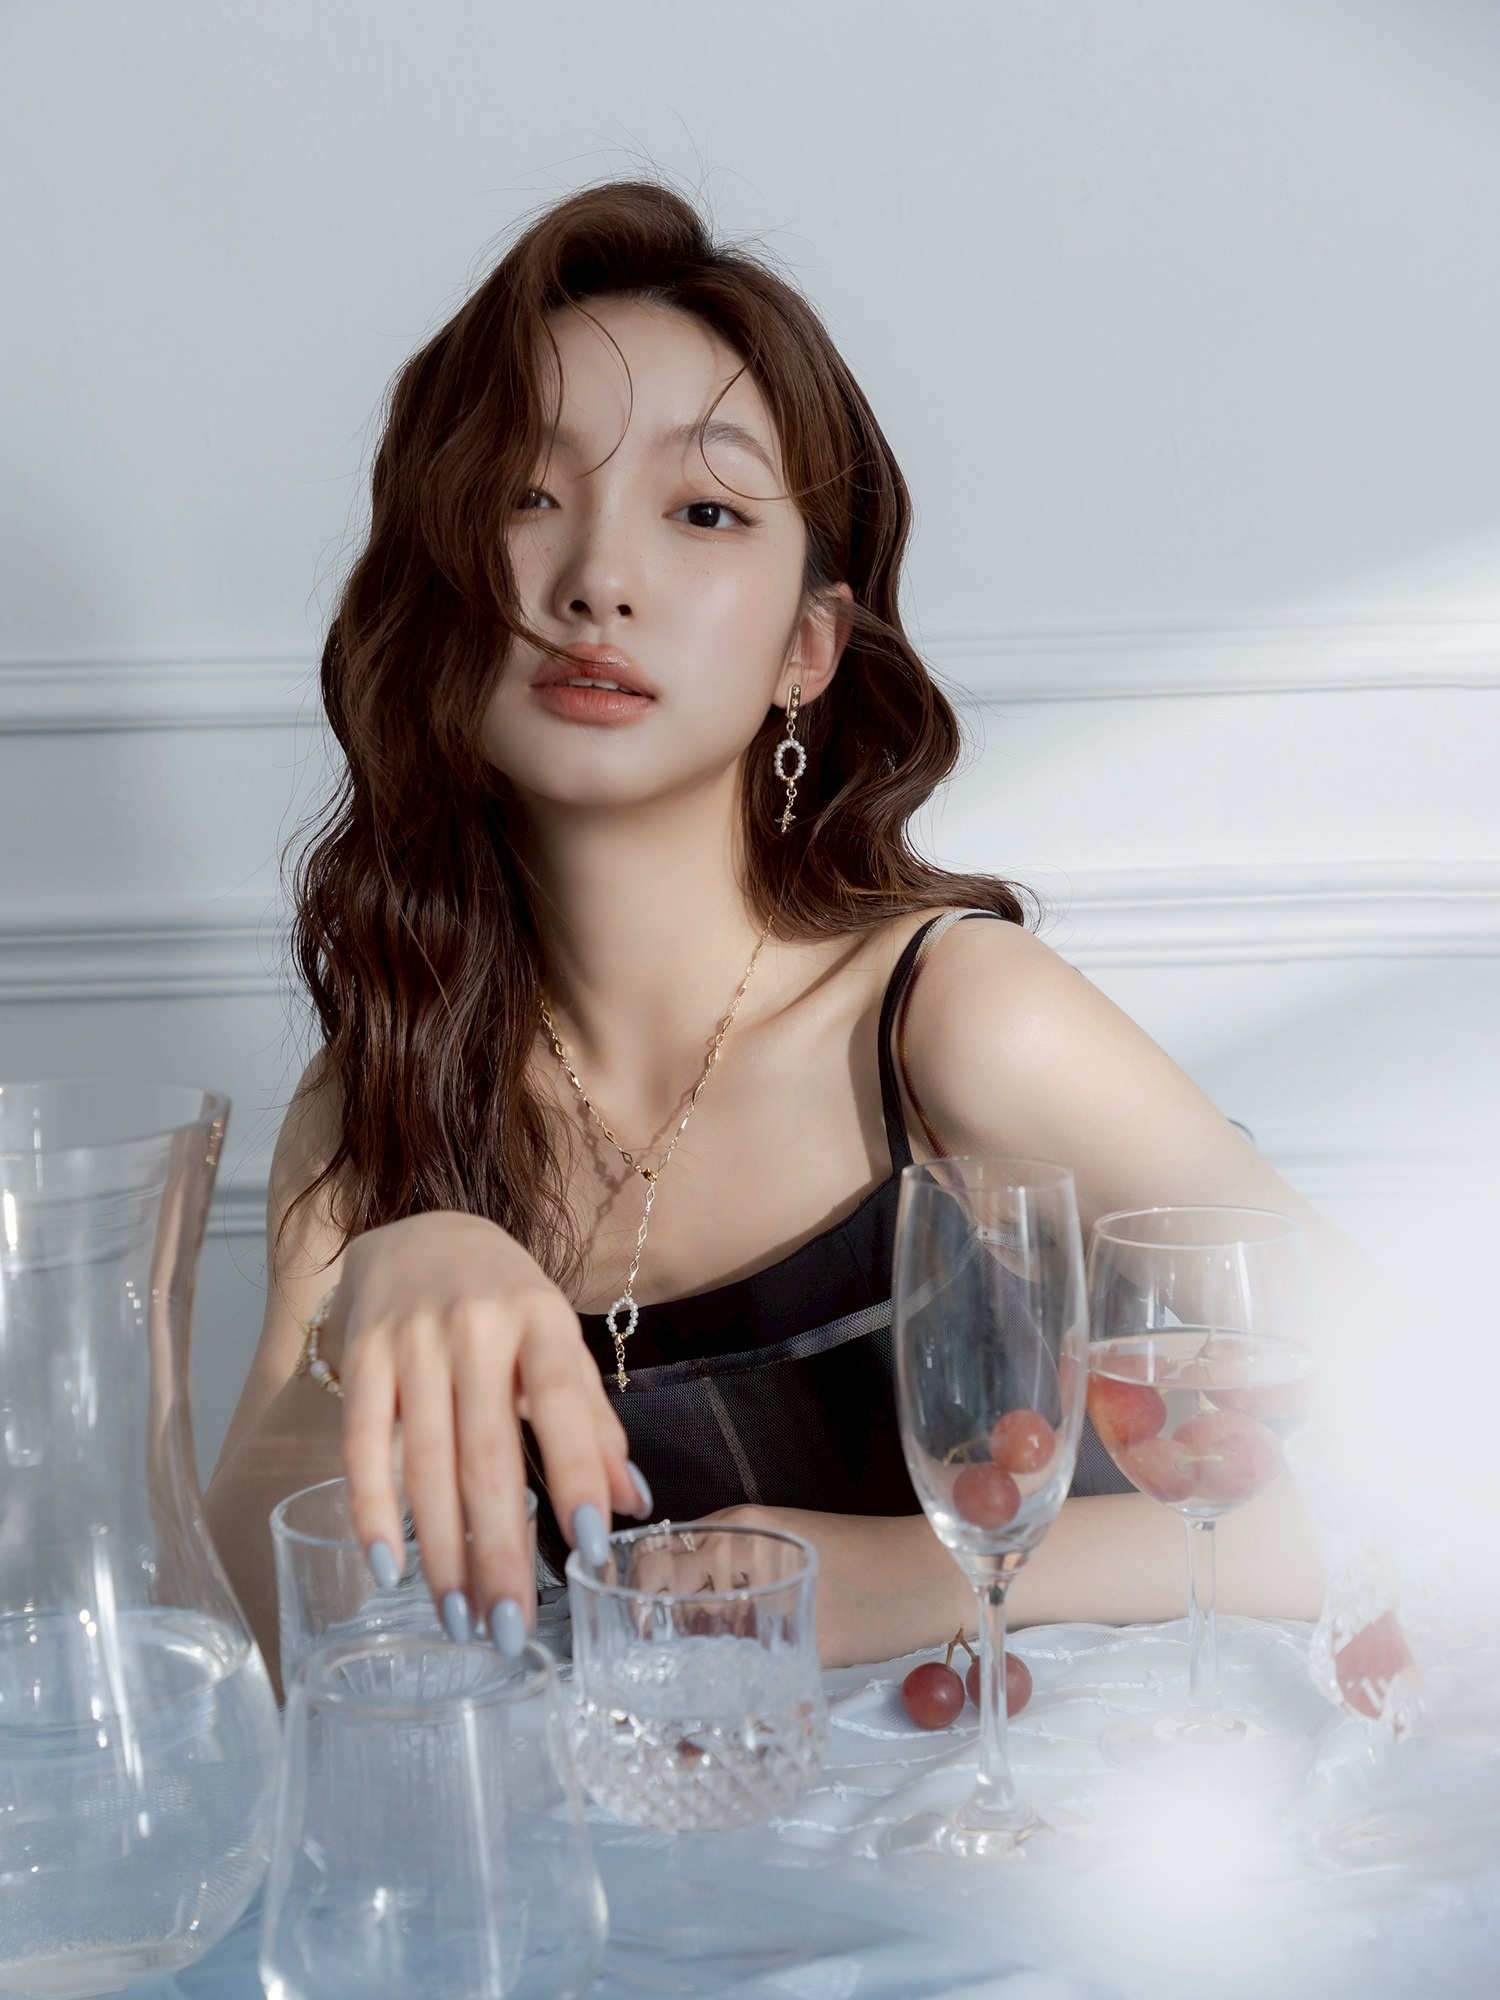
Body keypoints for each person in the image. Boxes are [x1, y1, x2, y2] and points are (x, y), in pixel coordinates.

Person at [205, 180, 1334, 1687]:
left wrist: (883, 1578)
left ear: (809, 647)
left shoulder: (959, 1021)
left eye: (705, 512)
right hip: (646, 1840)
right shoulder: (379, 1096)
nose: (598, 581)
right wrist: (362, 1306)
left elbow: (1424, 1457)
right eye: (526, 495)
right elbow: (250, 1640)